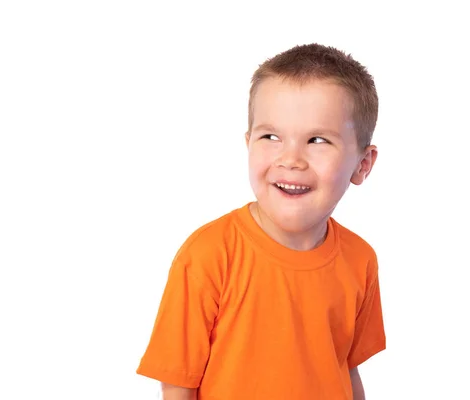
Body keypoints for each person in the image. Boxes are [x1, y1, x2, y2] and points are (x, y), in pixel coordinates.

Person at [136, 43, 386, 400]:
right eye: (271, 137)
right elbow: (177, 383)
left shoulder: (360, 260)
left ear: (363, 163)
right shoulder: (208, 255)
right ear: (248, 143)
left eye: (317, 140)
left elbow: (345, 366)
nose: (291, 160)